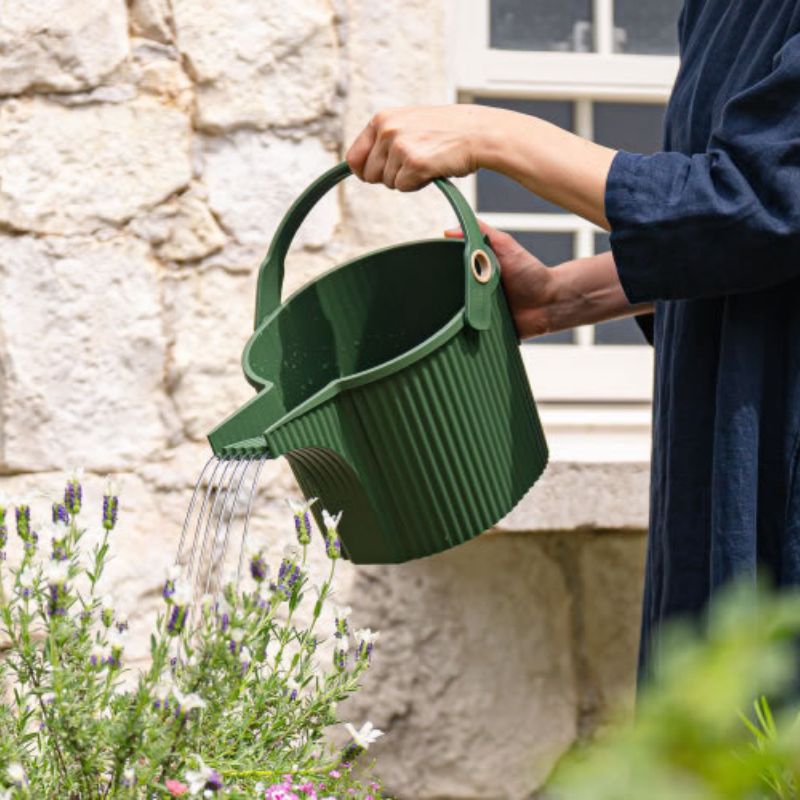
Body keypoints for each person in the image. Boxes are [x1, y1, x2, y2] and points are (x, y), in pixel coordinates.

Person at [346, 0, 800, 682]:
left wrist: (496, 136)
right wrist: (568, 296)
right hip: (716, 470)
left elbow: (764, 199)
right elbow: (741, 239)